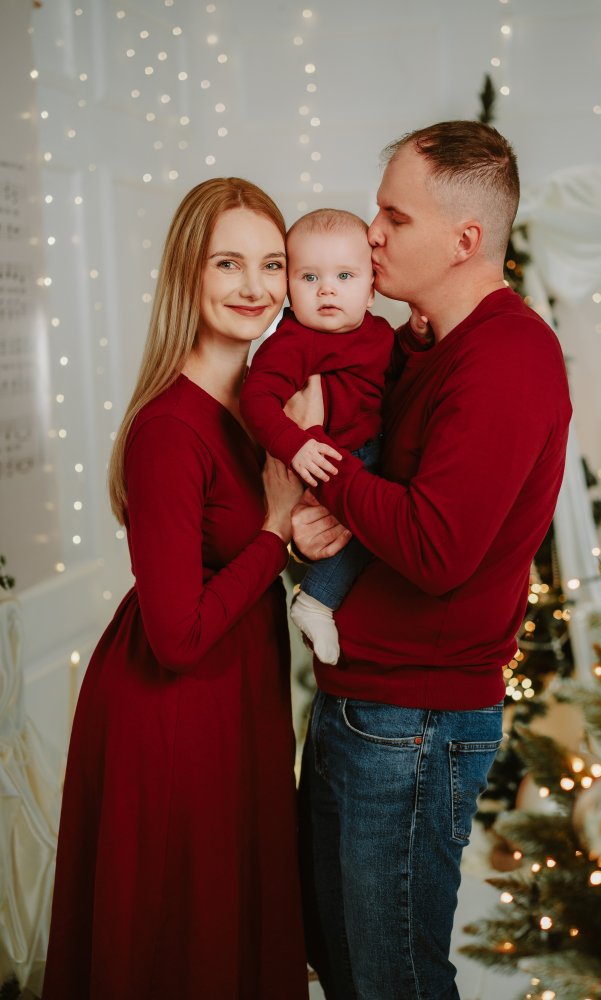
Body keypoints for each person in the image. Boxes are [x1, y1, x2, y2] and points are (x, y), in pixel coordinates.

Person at [292, 121, 573, 1000]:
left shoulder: (510, 356)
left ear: (464, 239)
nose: (370, 234)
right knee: (345, 973)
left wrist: (320, 465)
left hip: (414, 722)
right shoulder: (423, 345)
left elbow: (434, 548)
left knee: (395, 983)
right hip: (360, 701)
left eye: (394, 217)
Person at [42, 178, 309, 1000]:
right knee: (183, 948)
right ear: (188, 272)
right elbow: (178, 637)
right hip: (175, 719)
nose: (254, 286)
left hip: (238, 703)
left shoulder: (261, 411)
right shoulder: (169, 428)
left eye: (271, 264)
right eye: (228, 263)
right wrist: (274, 531)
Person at [240, 209, 394, 664]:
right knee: (371, 523)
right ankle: (316, 600)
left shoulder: (382, 334)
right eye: (309, 277)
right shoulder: (293, 342)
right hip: (329, 461)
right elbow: (257, 399)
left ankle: (321, 599)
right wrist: (295, 445)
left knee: (386, 518)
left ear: (371, 289)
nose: (326, 289)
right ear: (290, 289)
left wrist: (423, 338)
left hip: (373, 450)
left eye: (344, 276)